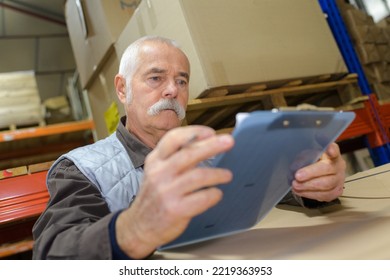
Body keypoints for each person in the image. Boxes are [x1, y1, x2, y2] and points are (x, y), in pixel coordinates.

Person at [32, 35, 346, 260]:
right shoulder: (80, 167)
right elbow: (52, 254)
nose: (172, 90)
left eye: (182, 81)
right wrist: (135, 228)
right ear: (122, 88)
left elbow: (264, 190)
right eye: (156, 78)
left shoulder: (211, 151)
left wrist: (313, 186)